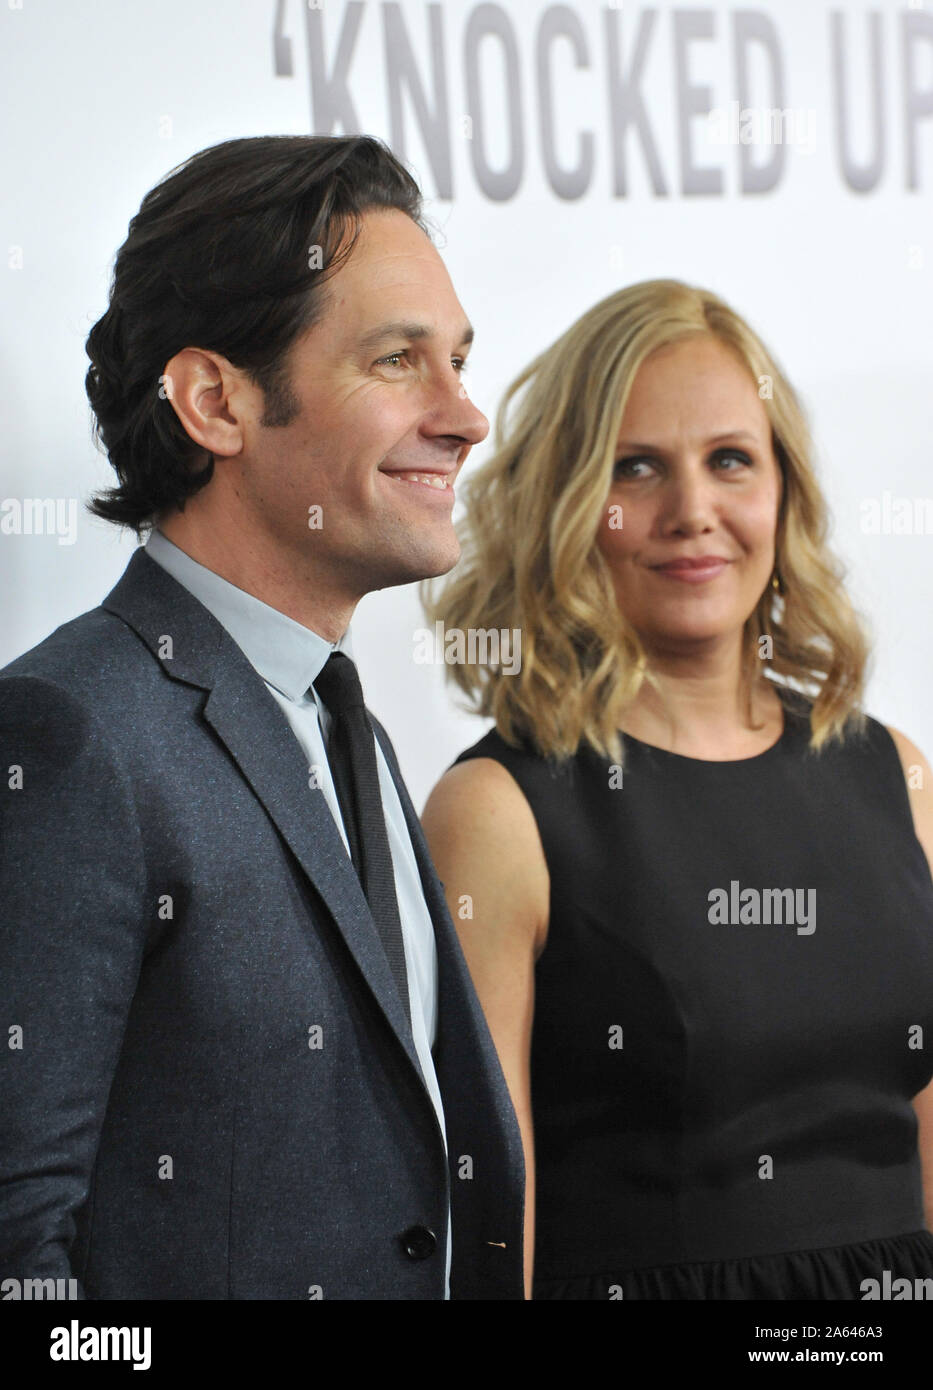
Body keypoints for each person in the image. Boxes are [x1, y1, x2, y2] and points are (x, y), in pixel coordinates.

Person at [0, 134, 525, 1300]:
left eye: (460, 359)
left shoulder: (352, 728)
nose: (466, 415)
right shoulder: (68, 733)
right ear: (214, 401)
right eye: (398, 361)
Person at [421, 279, 933, 1300]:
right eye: (637, 468)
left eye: (730, 461)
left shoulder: (900, 777)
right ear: (565, 502)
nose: (693, 513)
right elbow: (483, 1227)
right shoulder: (497, 813)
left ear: (782, 491)